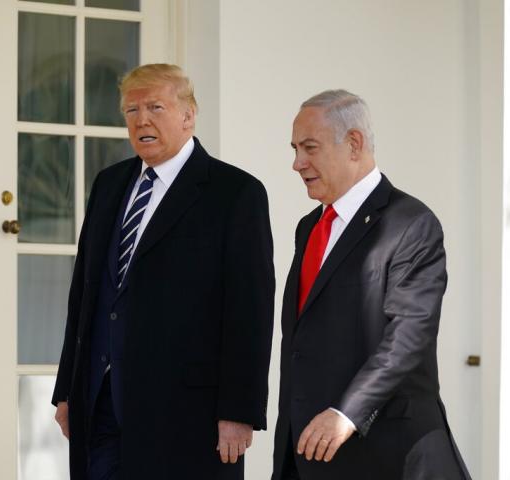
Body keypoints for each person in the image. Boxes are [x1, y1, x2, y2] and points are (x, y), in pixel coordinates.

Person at [52, 63, 275, 480]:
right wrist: (67, 389)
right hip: (100, 403)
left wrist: (239, 411)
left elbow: (251, 311)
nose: (142, 120)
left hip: (189, 415)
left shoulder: (235, 193)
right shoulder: (109, 183)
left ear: (189, 115)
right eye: (132, 111)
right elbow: (84, 294)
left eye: (155, 107)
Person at [271, 90, 471, 480]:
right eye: (295, 149)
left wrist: (347, 412)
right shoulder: (309, 227)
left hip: (386, 454)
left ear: (354, 144)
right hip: (308, 454)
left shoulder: (411, 223)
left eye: (309, 147)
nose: (297, 163)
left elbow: (408, 337)